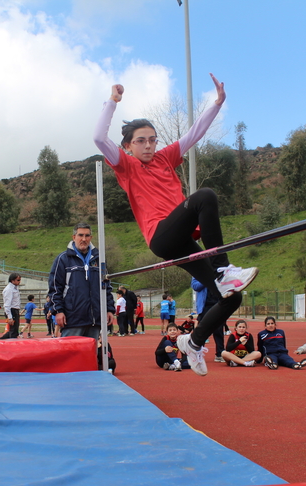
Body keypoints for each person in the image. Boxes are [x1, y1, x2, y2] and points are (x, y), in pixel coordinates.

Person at [94, 74, 258, 376]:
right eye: (141, 141)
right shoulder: (126, 165)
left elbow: (196, 132)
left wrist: (217, 104)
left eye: (152, 139)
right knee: (204, 196)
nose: (148, 145)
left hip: (182, 238)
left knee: (232, 298)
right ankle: (224, 269)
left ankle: (193, 342)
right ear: (128, 145)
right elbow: (98, 138)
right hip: (161, 236)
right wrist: (112, 102)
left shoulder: (165, 157)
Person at [48, 223, 115, 340]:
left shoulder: (99, 259)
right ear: (74, 237)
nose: (84, 239)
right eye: (80, 235)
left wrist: (109, 309)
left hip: (95, 320)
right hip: (72, 319)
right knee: (70, 356)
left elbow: (106, 286)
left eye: (87, 236)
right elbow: (55, 288)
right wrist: (58, 311)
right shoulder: (62, 259)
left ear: (91, 238)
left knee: (90, 356)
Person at [192, 277, 226, 362]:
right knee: (202, 331)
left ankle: (220, 353)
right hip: (204, 307)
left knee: (219, 331)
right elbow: (195, 286)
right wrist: (206, 280)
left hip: (218, 305)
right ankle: (198, 353)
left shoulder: (217, 272)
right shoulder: (197, 273)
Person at [0, 273, 21, 339]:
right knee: (13, 331)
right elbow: (7, 304)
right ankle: (11, 344)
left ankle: (1, 340)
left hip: (15, 310)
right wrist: (9, 317)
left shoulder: (15, 288)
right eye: (18, 280)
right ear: (12, 280)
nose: (19, 281)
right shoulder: (9, 289)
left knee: (15, 330)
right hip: (12, 310)